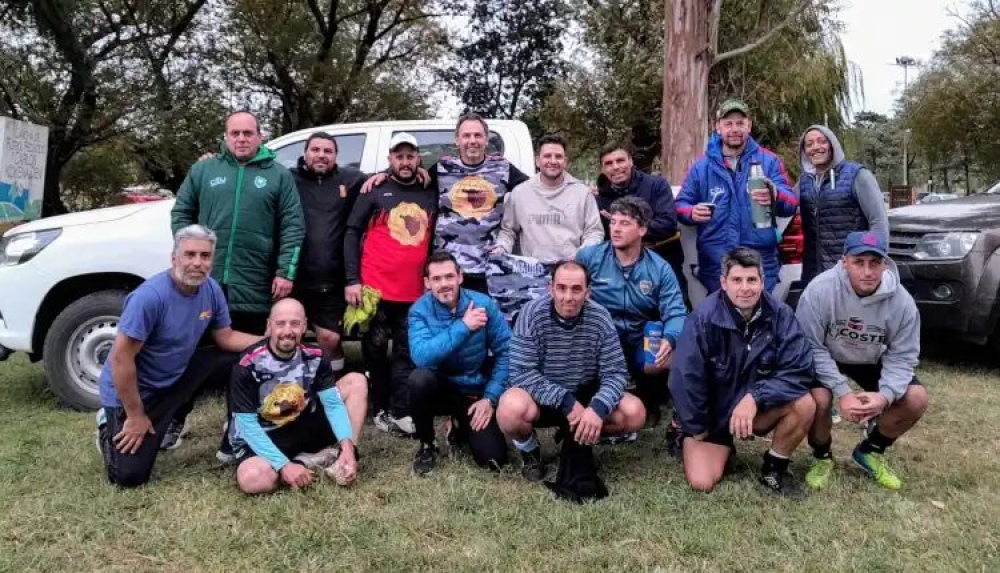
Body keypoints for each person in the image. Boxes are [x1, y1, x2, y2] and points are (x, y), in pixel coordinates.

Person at [96, 225, 262, 488]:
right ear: (174, 258)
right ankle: (108, 424)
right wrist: (136, 416)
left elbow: (226, 338)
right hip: (136, 390)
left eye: (205, 256)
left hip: (176, 376)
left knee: (244, 359)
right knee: (129, 477)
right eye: (190, 254)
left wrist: (269, 341)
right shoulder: (149, 298)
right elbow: (120, 360)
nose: (197, 263)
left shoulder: (211, 290)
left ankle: (236, 438)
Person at [668, 247, 815, 498]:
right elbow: (684, 378)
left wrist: (755, 397)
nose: (745, 288)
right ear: (723, 283)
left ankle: (774, 468)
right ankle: (683, 431)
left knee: (805, 404)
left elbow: (800, 370)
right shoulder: (702, 319)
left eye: (752, 280)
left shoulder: (782, 316)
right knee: (702, 481)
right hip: (713, 416)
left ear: (762, 281)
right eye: (737, 280)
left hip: (756, 408)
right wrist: (697, 425)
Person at [795, 231, 927, 491]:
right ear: (845, 262)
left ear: (885, 264)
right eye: (859, 262)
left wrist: (885, 396)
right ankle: (822, 457)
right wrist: (842, 391)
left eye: (875, 263)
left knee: (916, 399)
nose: (867, 271)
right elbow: (810, 345)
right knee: (819, 400)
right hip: (827, 353)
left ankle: (871, 451)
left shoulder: (903, 303)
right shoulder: (819, 290)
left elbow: (903, 356)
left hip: (870, 358)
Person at [496, 261, 646, 482]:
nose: (568, 296)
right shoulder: (531, 314)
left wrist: (597, 408)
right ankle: (530, 451)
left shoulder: (601, 318)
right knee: (510, 409)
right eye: (562, 288)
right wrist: (565, 401)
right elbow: (521, 372)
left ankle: (579, 434)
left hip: (585, 394)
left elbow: (615, 372)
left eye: (576, 289)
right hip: (543, 398)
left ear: (588, 292)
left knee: (634, 412)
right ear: (551, 288)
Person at [362, 113, 530, 293]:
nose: (472, 140)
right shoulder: (442, 169)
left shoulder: (502, 167)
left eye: (477, 135)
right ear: (457, 140)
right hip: (447, 269)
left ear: (486, 140)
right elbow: (406, 178)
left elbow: (533, 189)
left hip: (488, 268)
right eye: (466, 135)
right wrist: (385, 174)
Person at [171, 110, 305, 335]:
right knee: (200, 351)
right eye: (235, 133)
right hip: (206, 279)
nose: (241, 138)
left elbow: (293, 226)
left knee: (246, 354)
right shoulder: (204, 169)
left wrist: (285, 273)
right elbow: (182, 213)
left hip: (255, 285)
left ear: (259, 137)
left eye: (247, 133)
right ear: (226, 136)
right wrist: (190, 252)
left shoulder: (279, 175)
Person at [344, 132, 437, 435]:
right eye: (399, 156)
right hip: (375, 291)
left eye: (411, 156)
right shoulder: (375, 189)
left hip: (414, 293)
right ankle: (379, 409)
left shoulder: (429, 191)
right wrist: (352, 279)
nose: (405, 162)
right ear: (390, 160)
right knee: (375, 352)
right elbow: (351, 232)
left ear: (418, 159)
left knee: (407, 353)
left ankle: (400, 411)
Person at [229, 298, 368, 494]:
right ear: (269, 326)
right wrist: (284, 465)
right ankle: (304, 461)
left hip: (300, 422)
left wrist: (348, 447)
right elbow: (247, 425)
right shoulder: (247, 364)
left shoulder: (316, 356)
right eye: (280, 323)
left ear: (304, 326)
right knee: (254, 480)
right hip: (265, 433)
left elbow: (333, 404)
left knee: (356, 381)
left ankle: (343, 459)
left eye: (295, 323)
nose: (288, 331)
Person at [575, 196, 686, 428]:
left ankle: (651, 400)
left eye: (624, 223)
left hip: (638, 338)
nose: (615, 229)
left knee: (667, 356)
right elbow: (567, 292)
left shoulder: (659, 268)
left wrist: (671, 337)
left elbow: (676, 311)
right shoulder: (589, 258)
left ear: (643, 229)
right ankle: (581, 404)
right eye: (613, 222)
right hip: (599, 339)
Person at [675, 99, 798, 294]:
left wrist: (775, 195)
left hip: (760, 262)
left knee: (761, 319)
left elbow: (791, 203)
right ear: (718, 127)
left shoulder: (769, 161)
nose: (734, 129)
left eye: (740, 123)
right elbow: (679, 205)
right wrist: (691, 212)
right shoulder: (701, 168)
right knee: (721, 321)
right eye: (728, 123)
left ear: (749, 126)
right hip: (717, 264)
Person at [406, 251, 512, 475]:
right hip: (440, 388)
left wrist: (490, 398)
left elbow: (507, 352)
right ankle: (427, 445)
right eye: (436, 279)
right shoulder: (418, 311)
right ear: (427, 283)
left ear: (460, 277)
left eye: (449, 277)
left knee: (493, 459)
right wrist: (463, 327)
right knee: (419, 379)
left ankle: (458, 426)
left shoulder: (484, 304)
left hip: (473, 390)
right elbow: (421, 356)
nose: (444, 284)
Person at [290, 131, 366, 369]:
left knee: (330, 338)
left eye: (327, 151)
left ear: (335, 156)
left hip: (330, 281)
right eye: (315, 150)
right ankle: (290, 382)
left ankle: (335, 385)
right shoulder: (286, 179)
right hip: (292, 279)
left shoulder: (351, 179)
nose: (321, 155)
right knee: (288, 334)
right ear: (305, 153)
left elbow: (388, 177)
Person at [796, 126, 889, 285]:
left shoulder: (858, 175)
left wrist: (876, 262)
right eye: (809, 144)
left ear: (832, 144)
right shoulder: (804, 182)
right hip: (814, 273)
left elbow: (878, 221)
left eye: (821, 141)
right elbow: (785, 207)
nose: (816, 147)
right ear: (804, 150)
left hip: (851, 270)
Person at [493, 134, 604, 263]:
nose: (553, 161)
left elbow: (594, 232)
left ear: (565, 162)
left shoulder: (582, 193)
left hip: (571, 271)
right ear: (537, 161)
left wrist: (581, 255)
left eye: (558, 156)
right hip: (532, 273)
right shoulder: (520, 193)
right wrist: (501, 247)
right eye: (547, 156)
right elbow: (508, 231)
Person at [594, 142, 684, 295]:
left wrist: (628, 226)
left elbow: (667, 224)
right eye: (609, 163)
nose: (615, 167)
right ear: (603, 169)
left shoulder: (657, 186)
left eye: (620, 160)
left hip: (663, 263)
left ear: (631, 161)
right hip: (620, 273)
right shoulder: (599, 199)